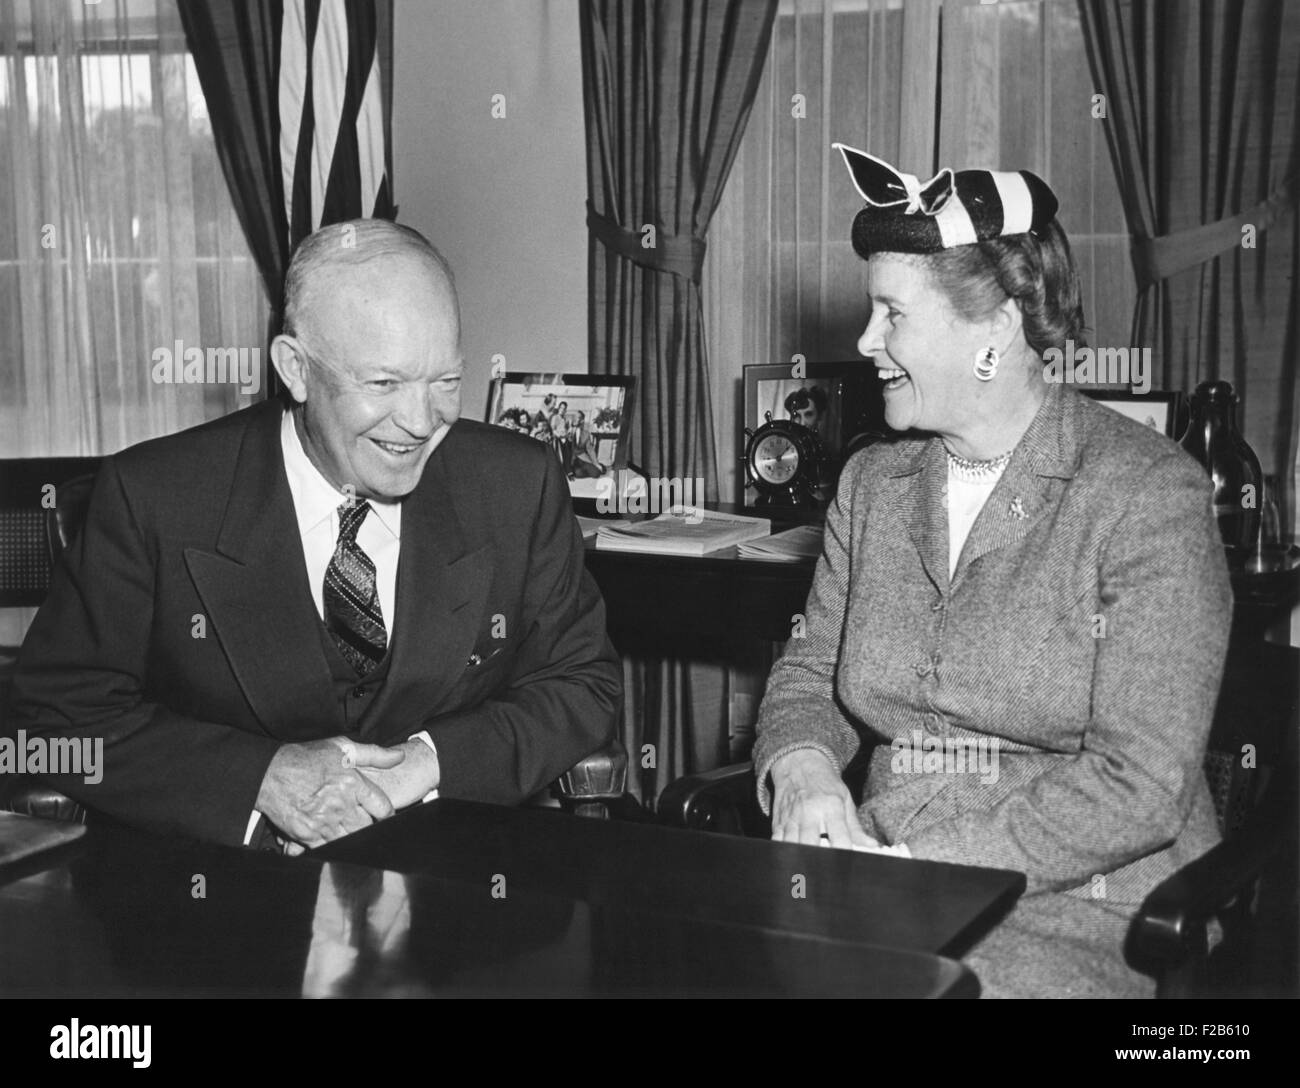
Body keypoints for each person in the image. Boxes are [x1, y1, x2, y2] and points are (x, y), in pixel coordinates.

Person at [751, 145, 1232, 998]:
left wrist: (916, 866)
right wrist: (803, 770)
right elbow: (809, 671)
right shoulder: (873, 484)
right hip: (874, 881)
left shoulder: (1146, 495)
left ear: (997, 327)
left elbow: (1140, 786)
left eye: (891, 315)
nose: (866, 343)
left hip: (1084, 906)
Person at [8, 218, 621, 852]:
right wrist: (258, 779)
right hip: (222, 896)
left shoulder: (517, 485)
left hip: (460, 882)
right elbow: (54, 723)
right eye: (383, 383)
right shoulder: (155, 496)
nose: (421, 423)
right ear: (295, 369)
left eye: (445, 381)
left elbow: (581, 683)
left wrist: (429, 764)